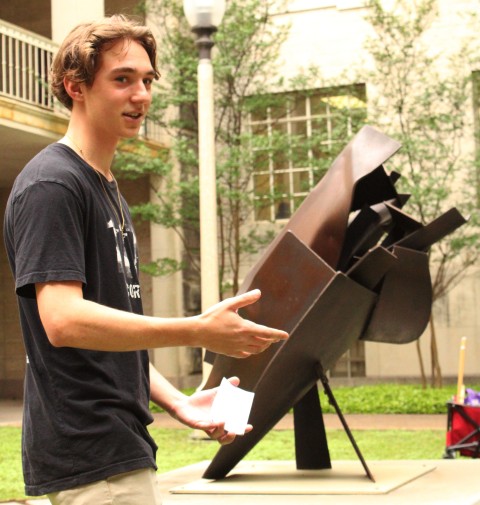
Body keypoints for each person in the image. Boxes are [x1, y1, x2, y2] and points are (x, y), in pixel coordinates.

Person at [3, 14, 288, 504]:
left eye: (147, 80)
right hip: (91, 459)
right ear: (75, 86)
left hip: (120, 448)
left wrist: (180, 403)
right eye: (122, 79)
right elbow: (64, 321)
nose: (142, 95)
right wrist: (196, 329)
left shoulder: (107, 187)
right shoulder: (53, 184)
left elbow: (110, 333)